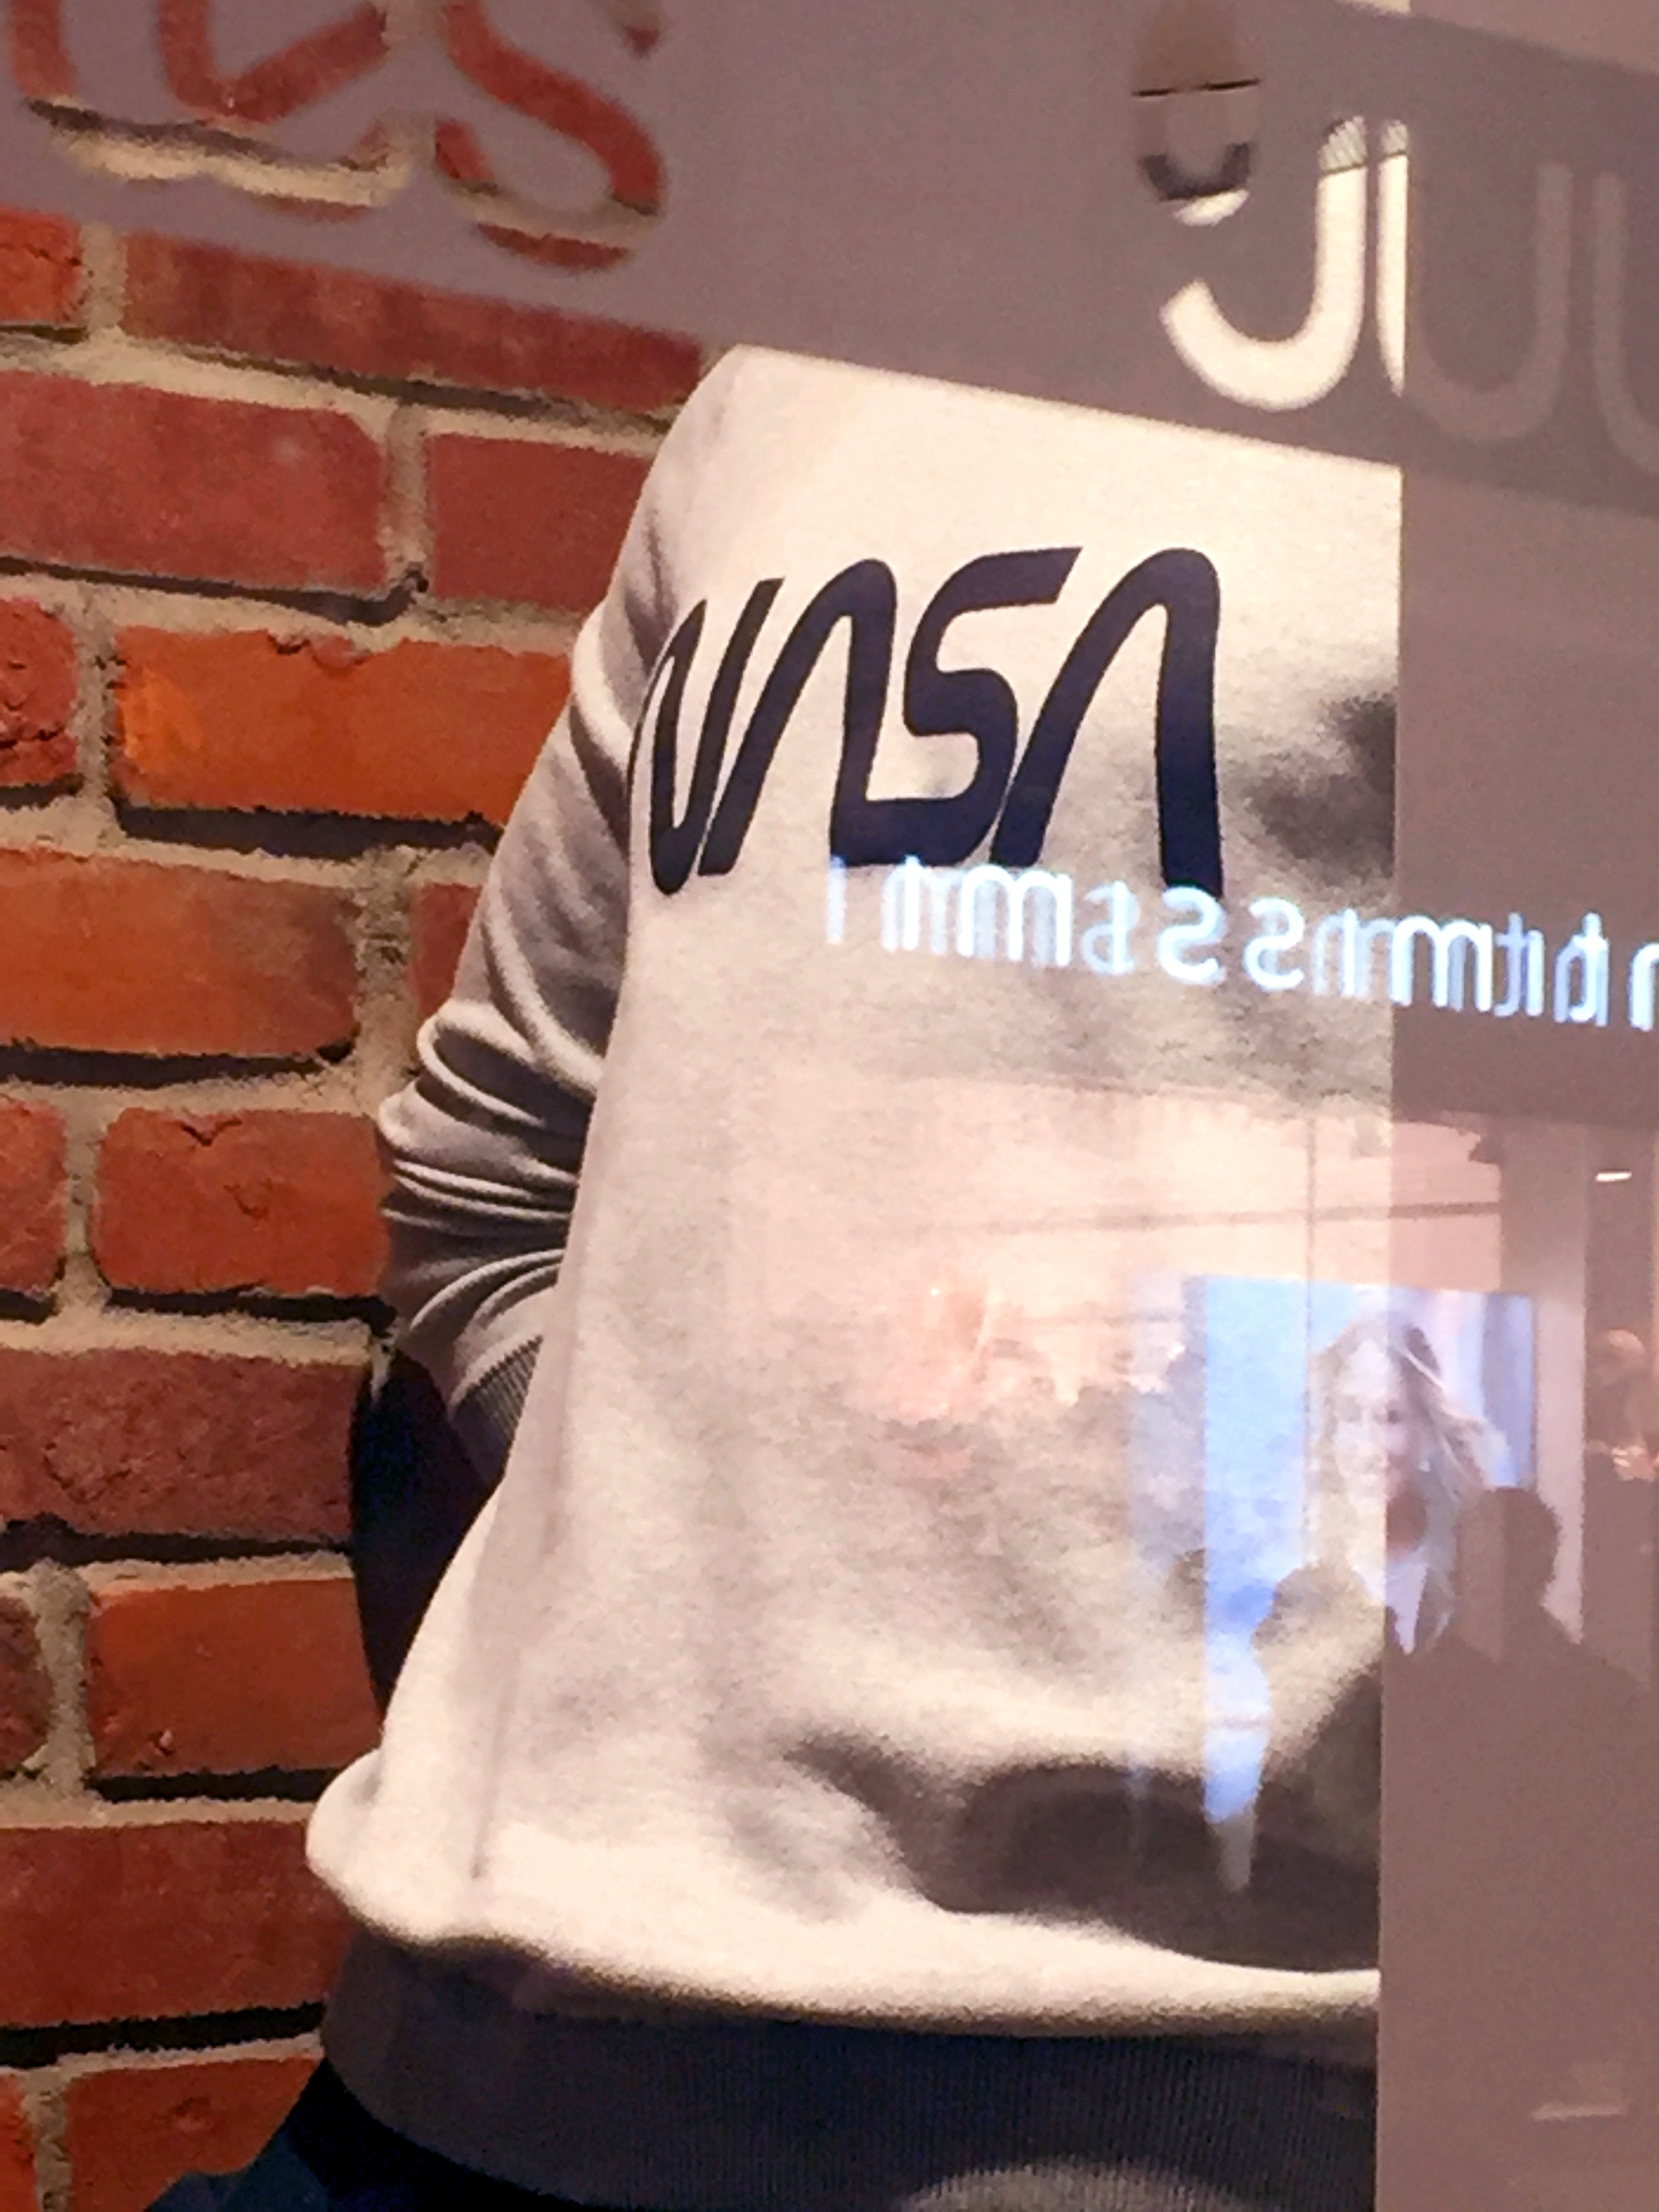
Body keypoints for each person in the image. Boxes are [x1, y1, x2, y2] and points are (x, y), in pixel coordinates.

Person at [150, 346, 1399, 2208]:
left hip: (1184, 2129)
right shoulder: (789, 389)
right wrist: (690, 1568)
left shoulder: (1554, 350)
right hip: (424, 2097)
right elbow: (494, 1169)